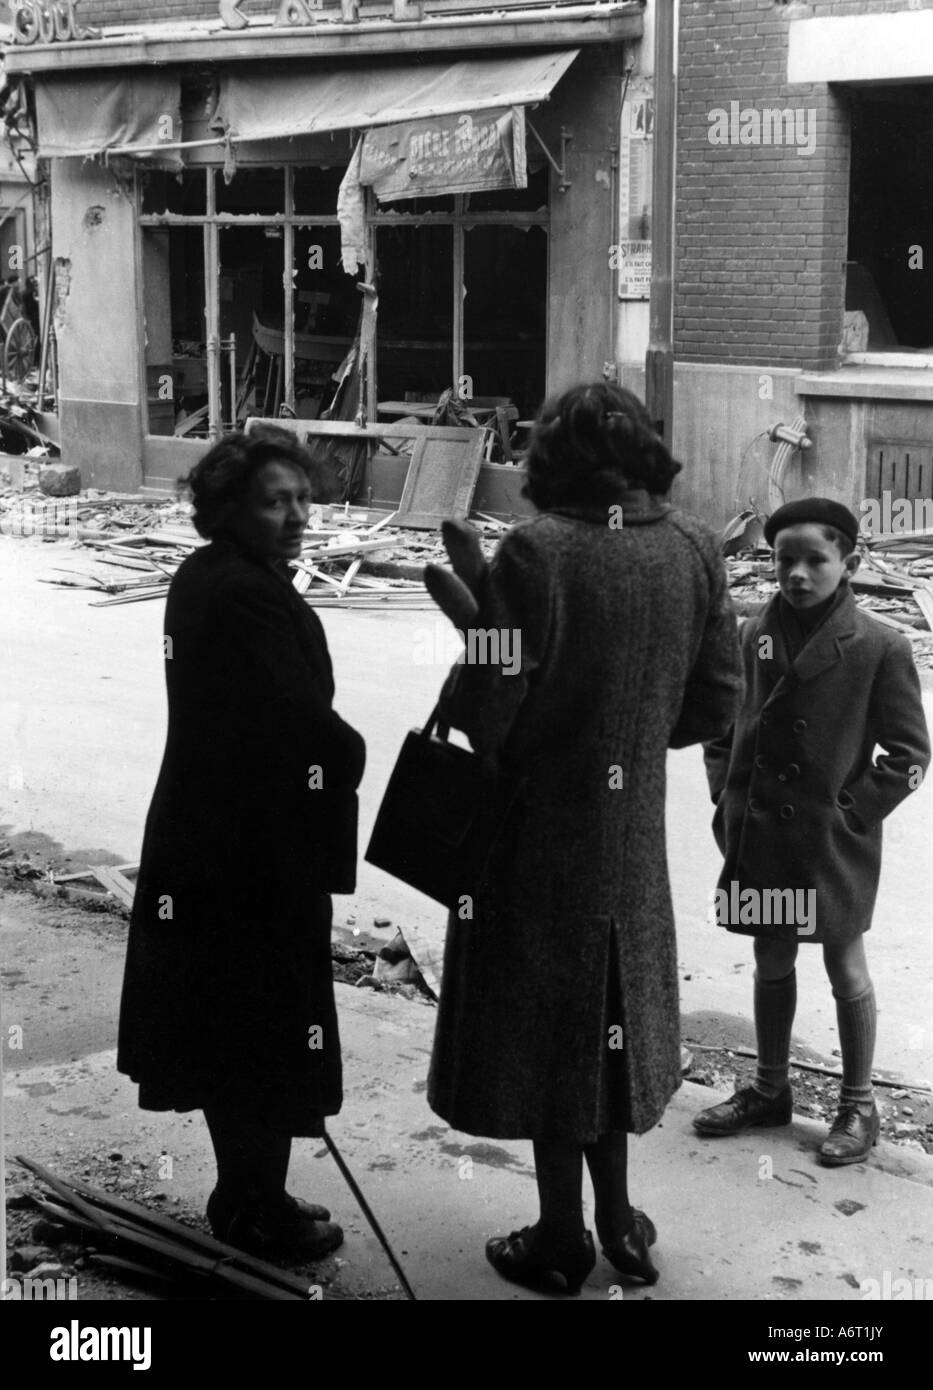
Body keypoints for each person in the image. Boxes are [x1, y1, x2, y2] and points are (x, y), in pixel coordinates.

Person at [424, 382, 744, 1295]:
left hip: (532, 836)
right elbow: (713, 703)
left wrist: (473, 626)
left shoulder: (538, 552)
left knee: (546, 1029)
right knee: (607, 1024)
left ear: (549, 459)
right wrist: (631, 734)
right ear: (645, 452)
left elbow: (491, 710)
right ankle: (619, 1225)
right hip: (629, 835)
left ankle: (559, 1236)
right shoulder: (693, 548)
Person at [117, 426, 365, 1257]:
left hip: (214, 837)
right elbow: (296, 726)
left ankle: (249, 1195)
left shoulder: (214, 575)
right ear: (230, 508)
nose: (297, 515)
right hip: (247, 854)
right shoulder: (243, 593)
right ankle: (256, 1207)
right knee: (260, 1025)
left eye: (302, 499)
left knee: (236, 1026)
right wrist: (349, 751)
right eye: (275, 502)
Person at [695, 498, 930, 1164]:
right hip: (759, 834)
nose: (795, 574)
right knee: (770, 956)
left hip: (829, 842)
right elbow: (719, 721)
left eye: (813, 560)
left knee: (842, 961)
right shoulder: (751, 635)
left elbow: (910, 755)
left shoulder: (878, 645)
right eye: (783, 559)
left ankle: (858, 1105)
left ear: (848, 563)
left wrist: (852, 813)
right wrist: (723, 795)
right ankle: (770, 1090)